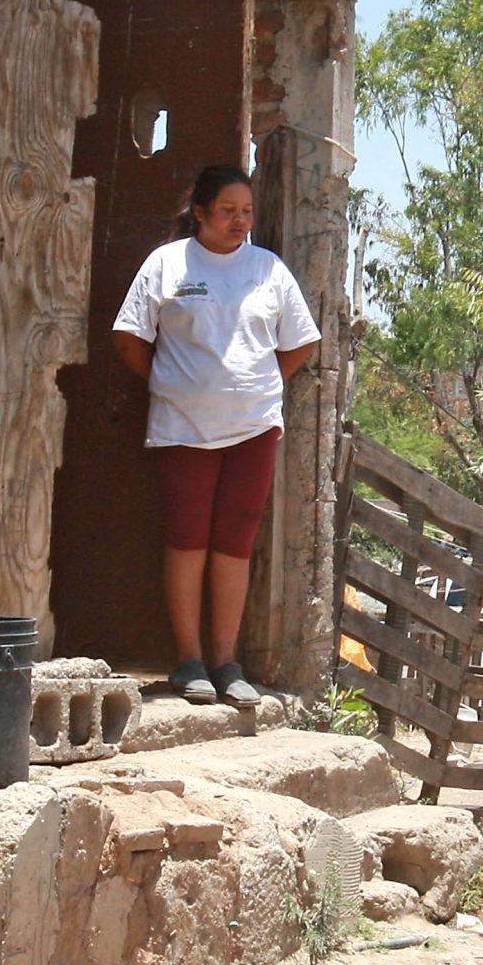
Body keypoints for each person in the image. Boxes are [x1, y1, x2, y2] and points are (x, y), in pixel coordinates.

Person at [112, 164, 319, 706]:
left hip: (252, 428)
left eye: (246, 211)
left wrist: (258, 387)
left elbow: (300, 342)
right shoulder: (167, 263)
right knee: (188, 537)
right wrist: (171, 383)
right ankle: (189, 660)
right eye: (227, 211)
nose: (239, 221)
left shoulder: (267, 269)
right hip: (183, 427)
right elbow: (129, 338)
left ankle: (226, 662)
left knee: (235, 541)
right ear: (200, 212)